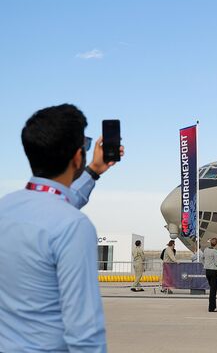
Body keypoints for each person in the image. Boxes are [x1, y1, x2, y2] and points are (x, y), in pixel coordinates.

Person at [0, 104, 124, 353]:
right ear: (78, 156)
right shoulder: (73, 226)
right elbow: (85, 334)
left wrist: (94, 171)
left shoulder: (7, 208)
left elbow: (55, 201)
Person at [204, 237, 217, 312]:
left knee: (211, 289)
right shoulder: (215, 251)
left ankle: (212, 306)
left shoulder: (205, 250)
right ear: (216, 244)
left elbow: (203, 258)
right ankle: (212, 307)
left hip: (207, 271)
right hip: (213, 271)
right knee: (213, 290)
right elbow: (216, 263)